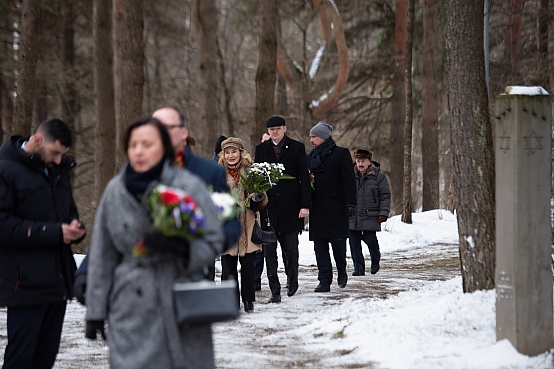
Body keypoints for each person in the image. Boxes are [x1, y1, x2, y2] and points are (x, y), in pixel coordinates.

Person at [85, 116, 224, 369]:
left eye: (147, 144)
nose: (138, 151)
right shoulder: (114, 191)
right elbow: (102, 254)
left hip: (182, 299)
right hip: (131, 305)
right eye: (133, 145)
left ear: (164, 147)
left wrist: (184, 249)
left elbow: (214, 239)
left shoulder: (188, 185)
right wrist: (95, 311)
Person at [73, 107, 240, 304]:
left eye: (167, 127)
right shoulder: (132, 173)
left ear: (184, 132)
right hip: (139, 288)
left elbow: (230, 226)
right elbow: (111, 228)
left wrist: (192, 248)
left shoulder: (208, 172)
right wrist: (87, 270)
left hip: (188, 282)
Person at [0, 118, 86, 369]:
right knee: (20, 360)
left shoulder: (58, 171)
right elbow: (3, 225)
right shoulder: (5, 170)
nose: (59, 160)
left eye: (63, 154)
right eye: (55, 152)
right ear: (37, 141)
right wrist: (55, 233)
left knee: (45, 359)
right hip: (24, 284)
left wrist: (74, 229)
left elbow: (69, 213)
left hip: (57, 283)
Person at [254, 116, 311, 302]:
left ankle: (292, 279)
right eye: (271, 129)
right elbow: (257, 178)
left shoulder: (297, 147)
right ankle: (274, 290)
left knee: (291, 249)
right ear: (268, 131)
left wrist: (305, 206)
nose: (275, 132)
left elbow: (304, 178)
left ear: (284, 128)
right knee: (269, 252)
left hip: (291, 206)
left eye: (278, 128)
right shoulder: (261, 149)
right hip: (268, 208)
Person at [307, 121, 356, 292]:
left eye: (313, 137)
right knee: (319, 246)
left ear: (323, 137)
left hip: (336, 206)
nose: (311, 140)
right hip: (317, 208)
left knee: (338, 244)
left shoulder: (341, 153)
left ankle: (342, 272)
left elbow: (349, 181)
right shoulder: (311, 157)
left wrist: (351, 203)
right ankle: (324, 280)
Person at [219, 137, 267, 313]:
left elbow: (263, 199)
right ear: (223, 155)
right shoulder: (218, 173)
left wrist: (257, 196)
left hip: (247, 223)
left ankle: (248, 300)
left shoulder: (251, 171)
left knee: (247, 266)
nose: (231, 155)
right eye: (227, 152)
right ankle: (229, 301)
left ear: (241, 152)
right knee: (228, 265)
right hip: (227, 224)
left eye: (234, 151)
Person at [349, 149, 390, 275]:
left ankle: (375, 260)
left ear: (369, 162)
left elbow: (385, 196)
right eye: (358, 161)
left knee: (370, 240)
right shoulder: (350, 175)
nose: (360, 164)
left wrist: (383, 213)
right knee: (353, 243)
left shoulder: (379, 176)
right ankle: (358, 268)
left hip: (370, 215)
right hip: (353, 215)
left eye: (363, 161)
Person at [253, 130, 275, 292]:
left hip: (276, 209)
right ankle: (256, 279)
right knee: (259, 246)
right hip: (260, 210)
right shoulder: (255, 166)